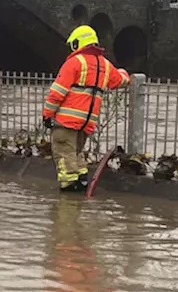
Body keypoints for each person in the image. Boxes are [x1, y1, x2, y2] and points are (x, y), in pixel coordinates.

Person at [41, 26, 130, 192]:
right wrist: (124, 73)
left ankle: (69, 197)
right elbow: (120, 81)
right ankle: (82, 182)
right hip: (87, 123)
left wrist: (47, 115)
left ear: (77, 43)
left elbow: (56, 94)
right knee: (77, 152)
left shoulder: (74, 63)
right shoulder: (105, 65)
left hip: (66, 122)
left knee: (64, 154)